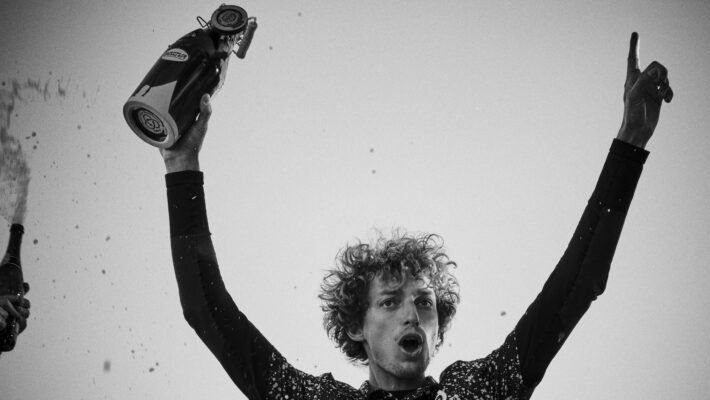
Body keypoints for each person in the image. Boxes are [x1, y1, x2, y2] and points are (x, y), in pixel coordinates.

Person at [159, 32, 672, 399]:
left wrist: (630, 142)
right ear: (356, 328)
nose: (412, 315)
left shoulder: (478, 391)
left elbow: (576, 286)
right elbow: (206, 310)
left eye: (424, 303)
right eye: (389, 301)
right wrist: (182, 166)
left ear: (438, 329)